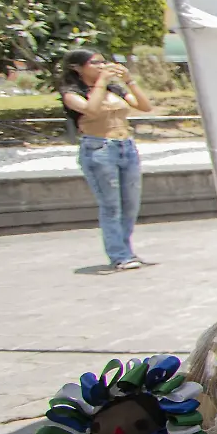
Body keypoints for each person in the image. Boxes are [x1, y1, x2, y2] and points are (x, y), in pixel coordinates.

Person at [60, 50, 153, 273]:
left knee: (130, 204)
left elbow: (145, 106)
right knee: (111, 205)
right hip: (99, 148)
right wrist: (101, 81)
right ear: (78, 67)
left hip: (125, 146)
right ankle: (119, 255)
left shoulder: (114, 89)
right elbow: (91, 110)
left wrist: (128, 80)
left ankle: (126, 250)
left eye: (104, 62)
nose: (102, 66)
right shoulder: (72, 93)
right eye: (95, 63)